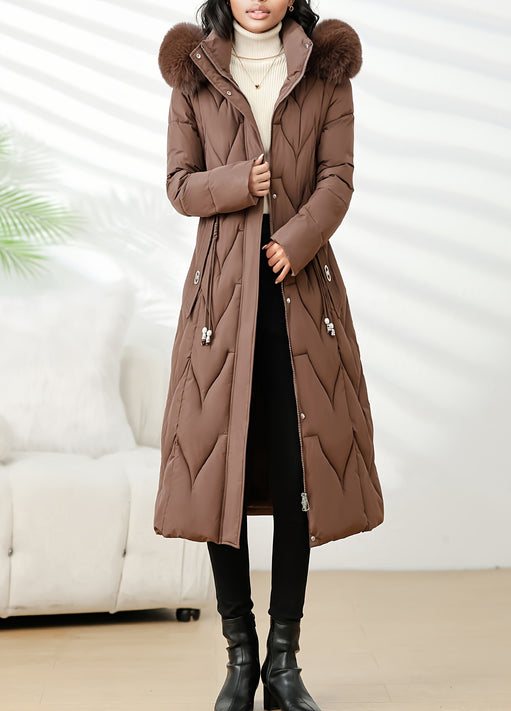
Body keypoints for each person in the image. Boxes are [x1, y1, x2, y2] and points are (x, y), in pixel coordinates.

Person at [155, 1, 385, 709]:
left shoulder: (324, 68)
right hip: (220, 305)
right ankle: (239, 658)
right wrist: (239, 184)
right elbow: (179, 185)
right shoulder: (195, 69)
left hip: (297, 291)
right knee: (215, 475)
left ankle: (284, 662)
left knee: (296, 476)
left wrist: (296, 238)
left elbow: (337, 177)